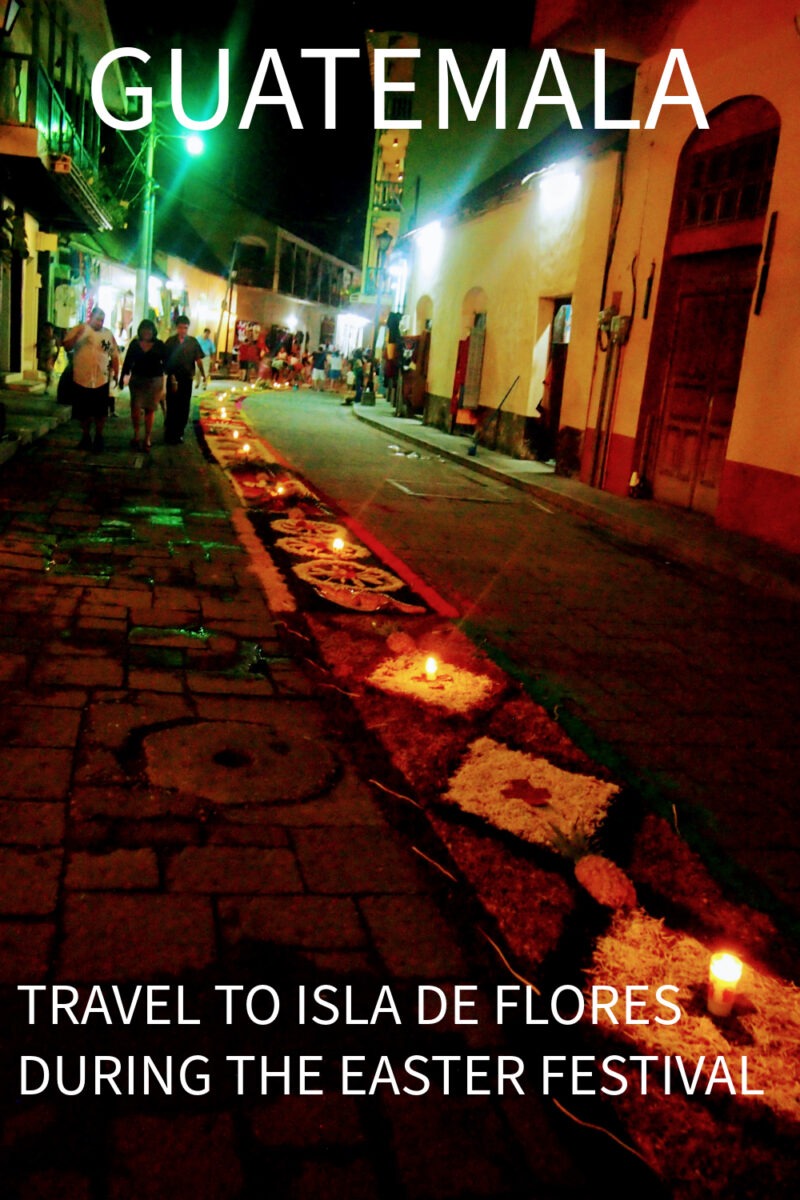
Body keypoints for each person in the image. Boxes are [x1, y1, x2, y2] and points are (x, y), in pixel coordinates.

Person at [62, 307, 120, 452]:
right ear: (91, 317)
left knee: (100, 412)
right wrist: (78, 337)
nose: (99, 323)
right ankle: (86, 436)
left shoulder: (107, 334)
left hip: (101, 378)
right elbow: (67, 346)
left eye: (102, 320)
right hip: (82, 377)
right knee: (83, 411)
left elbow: (114, 354)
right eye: (97, 319)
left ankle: (99, 437)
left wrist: (116, 374)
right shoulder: (80, 329)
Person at [121, 318, 166, 452]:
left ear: (153, 331)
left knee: (149, 410)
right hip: (137, 380)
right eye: (144, 329)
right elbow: (128, 361)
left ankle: (147, 437)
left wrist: (168, 381)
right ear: (140, 331)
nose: (147, 332)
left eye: (149, 330)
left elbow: (166, 363)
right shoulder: (135, 344)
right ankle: (136, 435)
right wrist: (123, 377)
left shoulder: (159, 345)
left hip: (154, 381)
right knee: (135, 409)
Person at [162, 315, 205, 444]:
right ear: (177, 328)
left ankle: (180, 431)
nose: (183, 331)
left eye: (185, 328)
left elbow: (198, 360)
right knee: (172, 404)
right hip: (172, 379)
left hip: (186, 379)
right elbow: (164, 361)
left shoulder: (193, 342)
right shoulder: (170, 342)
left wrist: (203, 375)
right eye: (180, 328)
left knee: (184, 405)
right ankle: (170, 431)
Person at [36, 323, 59, 393]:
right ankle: (50, 379)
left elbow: (57, 348)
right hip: (43, 357)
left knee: (48, 371)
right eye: (46, 329)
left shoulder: (55, 338)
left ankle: (47, 386)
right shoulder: (43, 338)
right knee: (46, 371)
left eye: (49, 329)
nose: (48, 331)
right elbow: (39, 346)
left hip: (50, 356)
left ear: (52, 330)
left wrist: (55, 358)